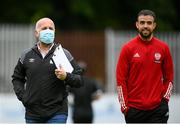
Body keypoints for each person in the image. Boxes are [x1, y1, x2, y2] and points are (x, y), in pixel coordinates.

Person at [11, 17, 83, 123]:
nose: (48, 31)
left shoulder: (63, 54)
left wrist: (66, 76)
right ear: (36, 33)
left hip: (57, 113)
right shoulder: (26, 55)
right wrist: (24, 97)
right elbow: (17, 78)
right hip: (33, 114)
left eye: (51, 28)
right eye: (44, 28)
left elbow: (79, 80)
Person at [116, 9, 174, 123]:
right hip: (134, 110)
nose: (145, 26)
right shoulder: (127, 49)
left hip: (158, 109)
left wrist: (165, 100)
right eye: (142, 23)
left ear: (154, 25)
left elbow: (169, 78)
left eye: (149, 23)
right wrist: (125, 107)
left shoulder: (163, 48)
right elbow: (121, 80)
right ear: (137, 25)